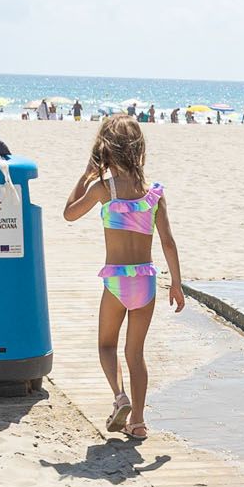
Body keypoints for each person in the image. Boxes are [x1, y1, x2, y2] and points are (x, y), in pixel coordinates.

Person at [62, 115, 184, 443]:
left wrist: (87, 173)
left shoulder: (103, 189)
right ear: (139, 150)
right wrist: (176, 283)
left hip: (116, 281)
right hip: (145, 280)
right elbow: (168, 242)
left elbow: (69, 213)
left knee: (106, 344)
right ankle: (140, 423)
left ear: (105, 150)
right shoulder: (153, 194)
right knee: (136, 354)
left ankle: (119, 396)